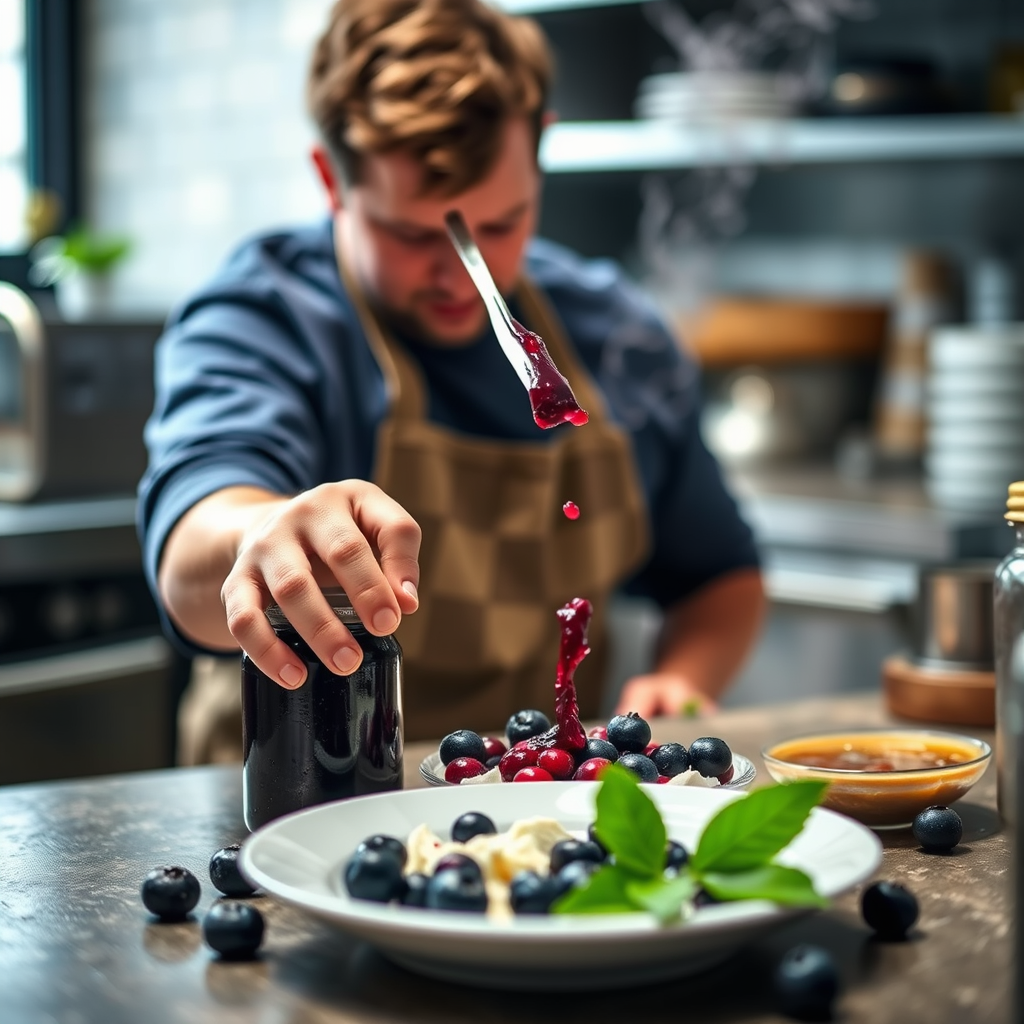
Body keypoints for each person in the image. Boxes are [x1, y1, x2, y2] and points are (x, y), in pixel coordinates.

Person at [139, 0, 765, 759]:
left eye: (498, 225)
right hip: (291, 808)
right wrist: (260, 537)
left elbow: (718, 575)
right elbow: (193, 550)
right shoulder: (263, 316)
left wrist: (682, 679)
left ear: (541, 153)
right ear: (330, 180)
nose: (459, 275)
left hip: (532, 818)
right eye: (410, 235)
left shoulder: (616, 334)